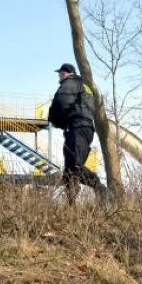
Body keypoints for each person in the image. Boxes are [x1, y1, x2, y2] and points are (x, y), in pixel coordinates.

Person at [48, 63, 108, 204]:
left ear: (68, 73)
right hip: (84, 128)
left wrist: (55, 120)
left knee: (74, 166)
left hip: (76, 128)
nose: (59, 76)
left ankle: (99, 187)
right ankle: (71, 206)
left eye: (61, 73)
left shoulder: (70, 84)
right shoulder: (84, 86)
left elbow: (61, 104)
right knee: (70, 171)